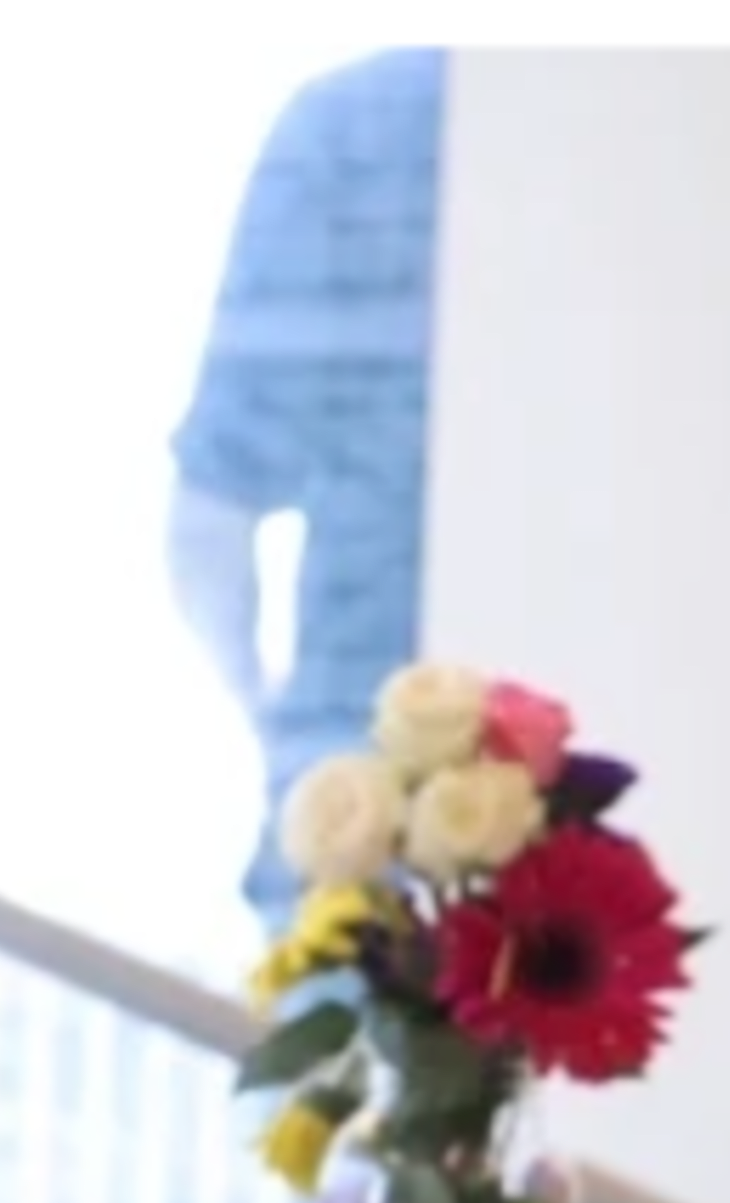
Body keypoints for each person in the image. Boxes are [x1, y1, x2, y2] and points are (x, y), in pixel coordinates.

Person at [168, 43, 447, 934]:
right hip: (610, 828)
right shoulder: (691, 128)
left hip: (356, 805)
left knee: (341, 1058)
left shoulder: (347, 125)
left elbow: (207, 519)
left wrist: (282, 719)